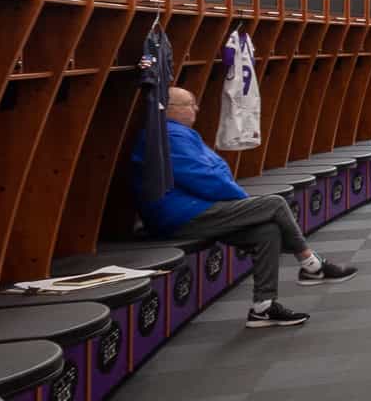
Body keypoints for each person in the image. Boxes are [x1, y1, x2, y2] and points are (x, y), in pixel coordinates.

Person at [132, 87, 355, 328]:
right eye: (189, 104)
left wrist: (236, 196)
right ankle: (312, 264)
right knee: (274, 204)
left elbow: (216, 170)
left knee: (266, 232)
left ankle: (263, 307)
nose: (196, 109)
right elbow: (205, 177)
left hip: (194, 209)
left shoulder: (179, 134)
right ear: (170, 109)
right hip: (180, 215)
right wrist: (242, 201)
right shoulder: (168, 136)